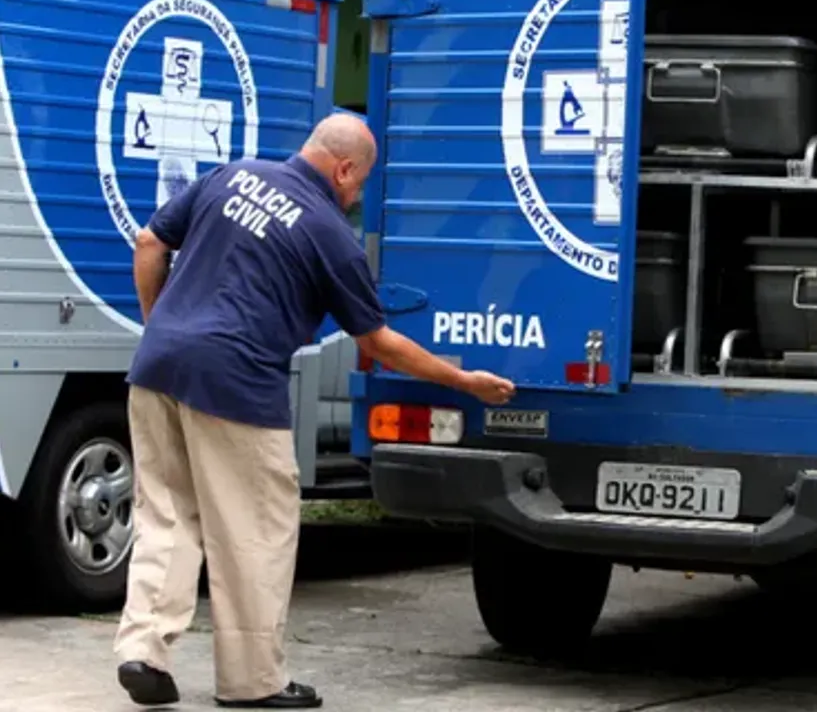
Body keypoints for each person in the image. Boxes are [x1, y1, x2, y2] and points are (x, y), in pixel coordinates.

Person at [112, 113, 515, 709]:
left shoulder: (231, 175)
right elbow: (376, 343)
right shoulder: (330, 234)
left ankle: (142, 651)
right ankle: (253, 682)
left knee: (166, 515)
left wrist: (162, 329)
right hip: (239, 385)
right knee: (256, 532)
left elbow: (150, 243)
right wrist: (460, 379)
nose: (356, 196)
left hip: (157, 370)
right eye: (359, 183)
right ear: (344, 168)